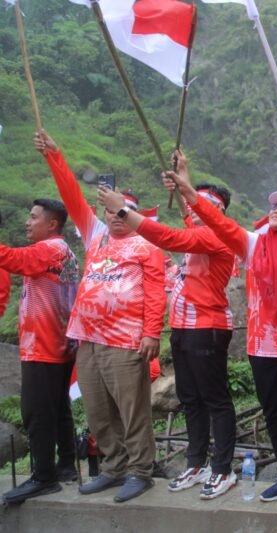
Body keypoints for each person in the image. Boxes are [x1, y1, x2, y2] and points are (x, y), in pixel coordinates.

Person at [164, 153, 277, 515]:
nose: (276, 208)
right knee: (274, 411)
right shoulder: (252, 244)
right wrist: (186, 187)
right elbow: (214, 222)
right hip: (263, 345)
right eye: (274, 204)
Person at [35, 130, 166, 503]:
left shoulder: (147, 244)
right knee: (97, 409)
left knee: (132, 409)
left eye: (122, 210)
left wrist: (151, 333)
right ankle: (112, 468)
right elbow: (71, 197)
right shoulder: (96, 235)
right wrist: (55, 156)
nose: (115, 217)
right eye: (109, 210)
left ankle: (140, 471)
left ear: (135, 214)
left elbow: (156, 292)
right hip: (88, 338)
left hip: (126, 340)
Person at [97, 175, 239, 499]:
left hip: (208, 327)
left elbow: (169, 238)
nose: (194, 207)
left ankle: (223, 470)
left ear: (218, 211)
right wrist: (181, 179)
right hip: (182, 327)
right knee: (190, 399)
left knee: (216, 400)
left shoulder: (218, 234)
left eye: (203, 204)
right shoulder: (198, 229)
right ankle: (196, 462)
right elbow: (187, 220)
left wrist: (123, 212)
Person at [0, 199, 79, 504]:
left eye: (33, 217)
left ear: (52, 224)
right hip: (56, 344)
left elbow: (14, 259)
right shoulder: (63, 251)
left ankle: (44, 477)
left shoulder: (51, 249)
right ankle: (66, 466)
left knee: (36, 412)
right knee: (58, 409)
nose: (27, 222)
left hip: (43, 346)